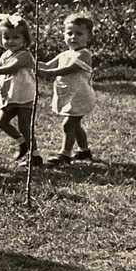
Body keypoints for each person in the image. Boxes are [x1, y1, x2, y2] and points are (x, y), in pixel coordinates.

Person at [0, 13, 42, 166]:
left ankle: (35, 156)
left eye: (16, 38)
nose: (11, 41)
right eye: (6, 38)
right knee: (1, 122)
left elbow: (9, 68)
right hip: (10, 95)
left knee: (24, 125)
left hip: (24, 94)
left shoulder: (25, 55)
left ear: (25, 39)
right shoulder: (5, 54)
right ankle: (22, 143)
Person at [38, 13, 96, 166]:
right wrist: (32, 63)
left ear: (88, 36)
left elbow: (68, 69)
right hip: (70, 95)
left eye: (79, 33)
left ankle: (65, 154)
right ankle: (84, 150)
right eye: (69, 33)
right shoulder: (64, 53)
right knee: (75, 126)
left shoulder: (84, 54)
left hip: (80, 96)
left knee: (68, 125)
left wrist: (49, 74)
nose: (73, 37)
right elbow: (48, 65)